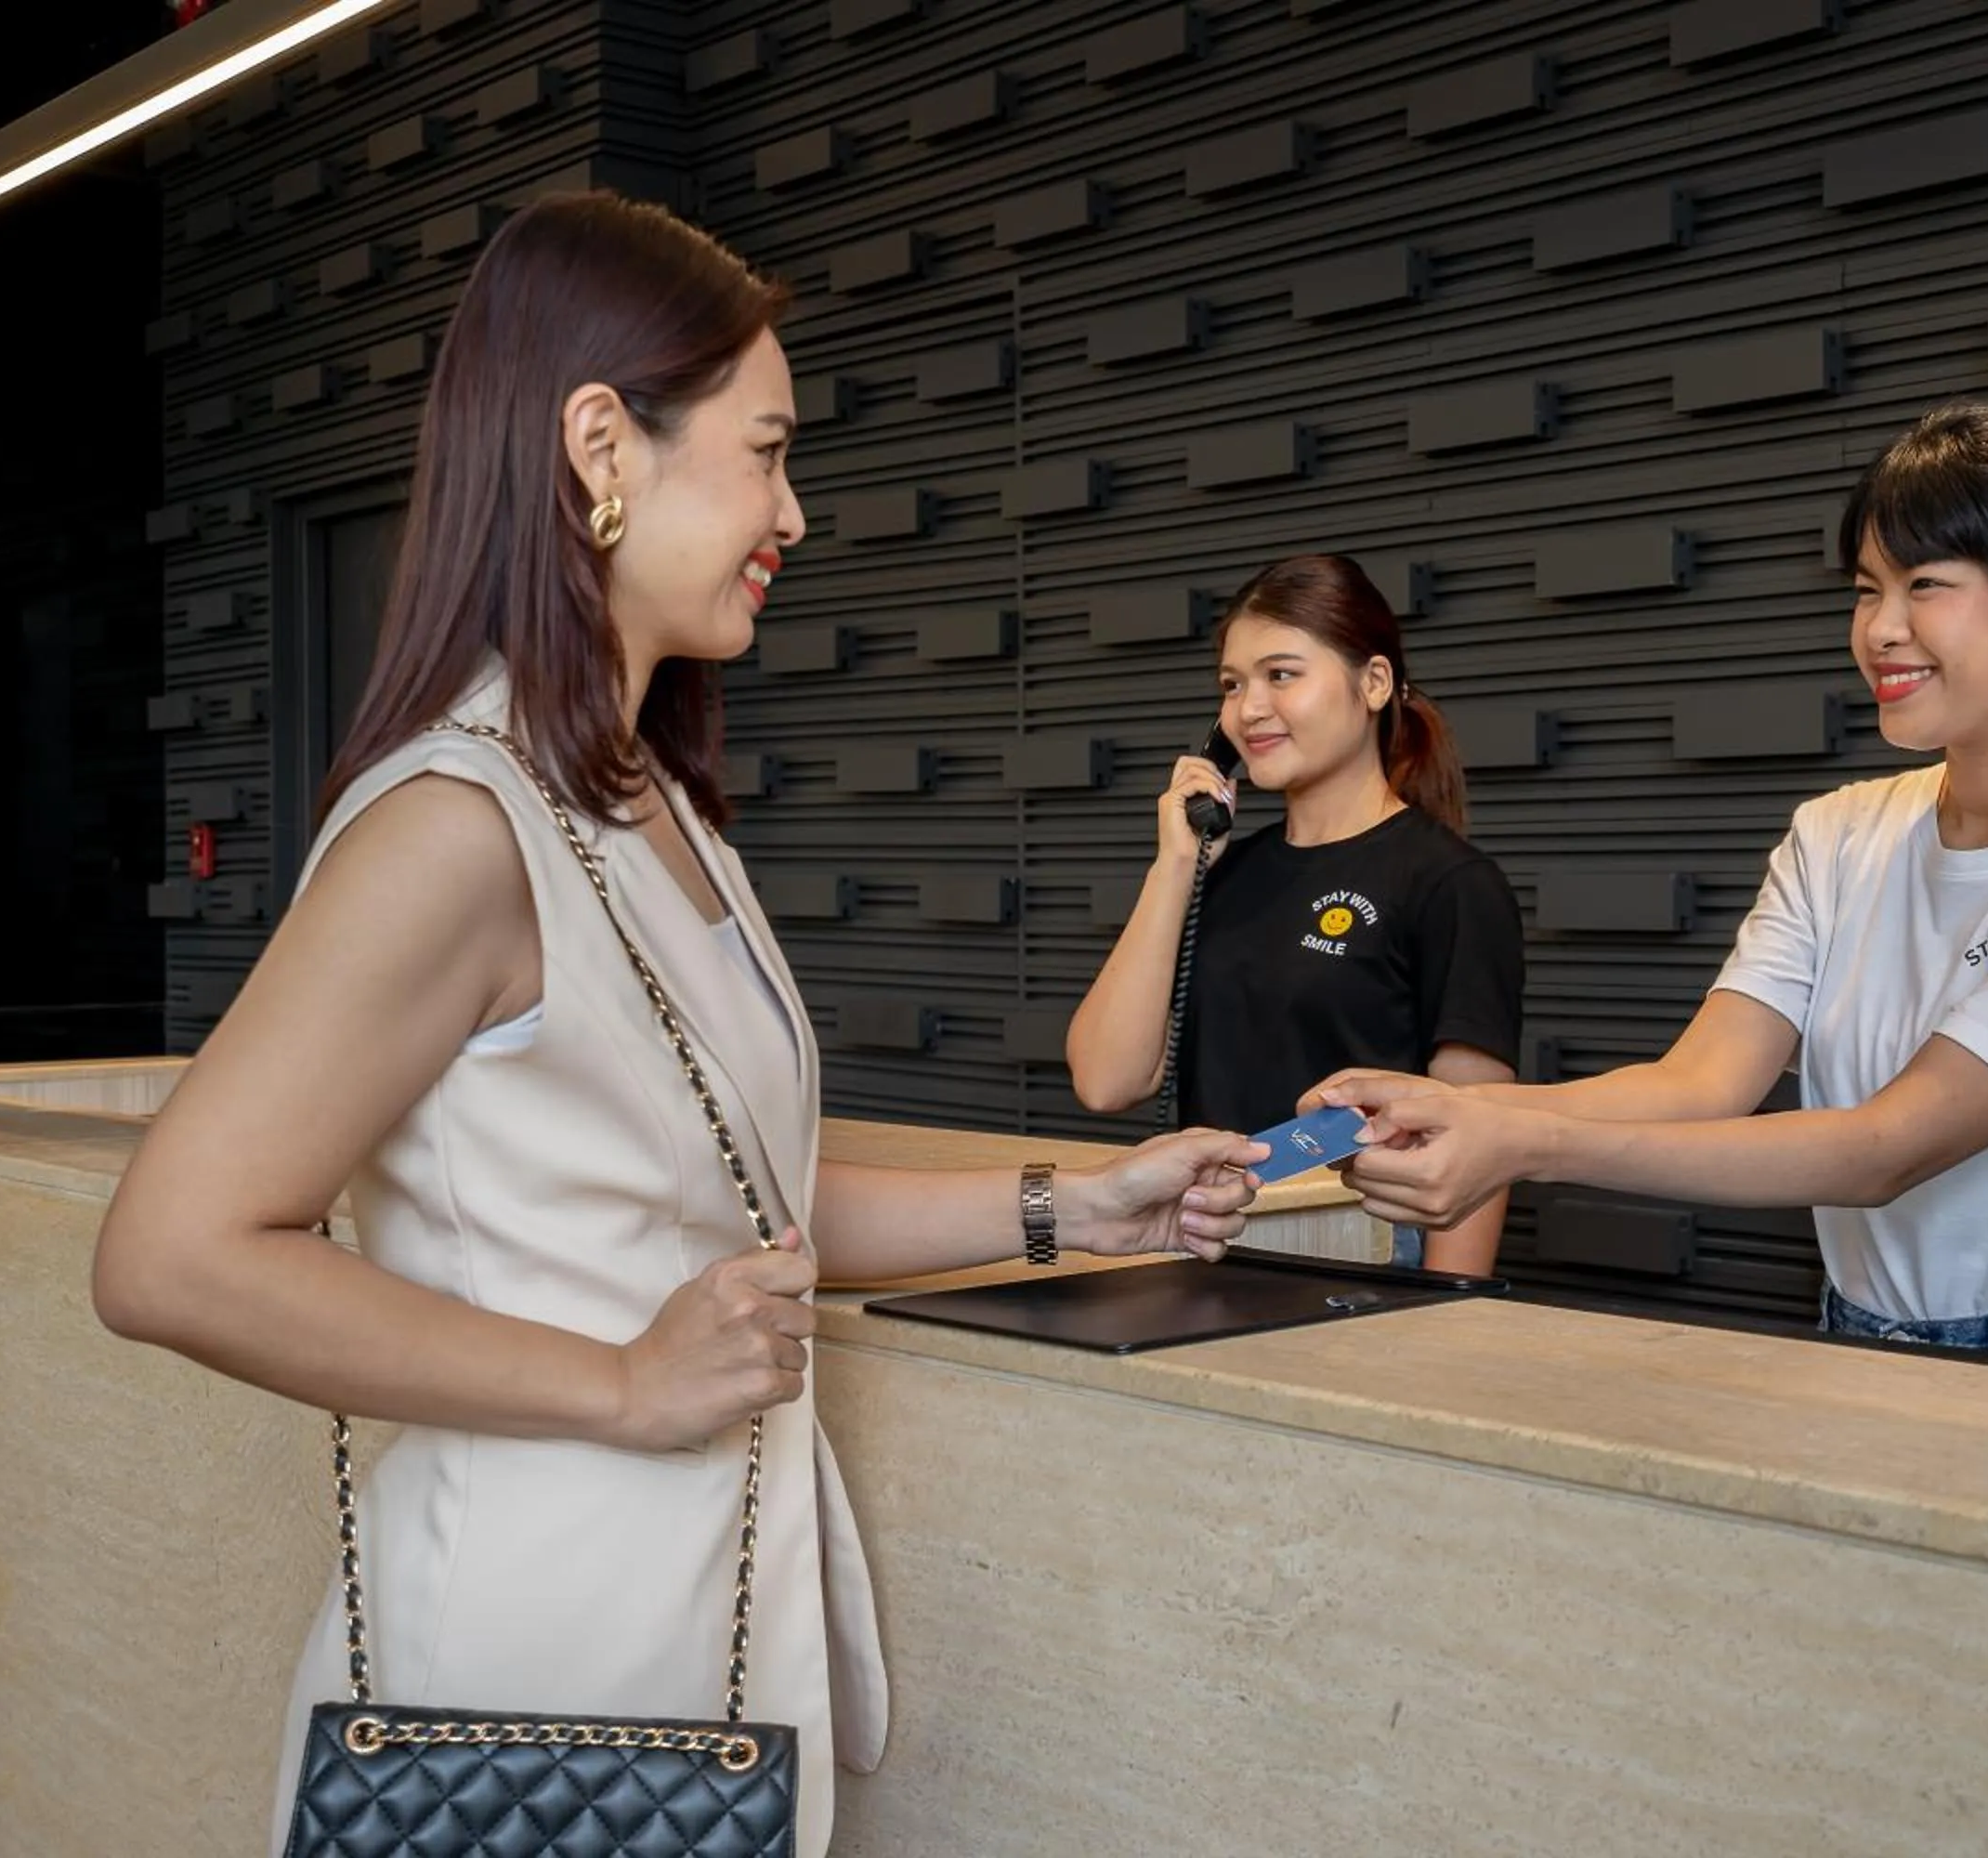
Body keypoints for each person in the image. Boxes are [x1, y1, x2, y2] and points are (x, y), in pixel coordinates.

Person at [87, 191, 1267, 1857]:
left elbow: (732, 1209)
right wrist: (626, 1383)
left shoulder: (647, 807)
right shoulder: (456, 824)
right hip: (526, 1672)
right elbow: (170, 1254)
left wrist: (1071, 1205)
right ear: (600, 444)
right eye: (767, 453)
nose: (797, 509)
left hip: (700, 1637)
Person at [1309, 401, 1988, 1392]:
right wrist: (1470, 1110)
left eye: (1926, 585)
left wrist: (1521, 1140)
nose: (1881, 631)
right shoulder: (1840, 831)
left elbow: (1885, 1146)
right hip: (1860, 1350)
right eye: (1866, 590)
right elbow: (1701, 1085)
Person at [1066, 554, 1525, 1272]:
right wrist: (1176, 865)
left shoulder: (1450, 883)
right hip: (1201, 1252)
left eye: (1282, 675)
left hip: (1360, 1263)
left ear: (1373, 683)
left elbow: (1479, 1141)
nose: (1249, 709)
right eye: (1232, 684)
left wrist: (1445, 1322)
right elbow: (1105, 1081)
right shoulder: (1222, 872)